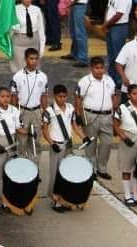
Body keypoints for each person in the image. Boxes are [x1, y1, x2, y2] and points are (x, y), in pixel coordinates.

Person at [43, 84, 87, 212]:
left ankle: (63, 199)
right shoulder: (49, 111)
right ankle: (54, 201)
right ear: (54, 96)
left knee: (66, 172)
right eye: (59, 96)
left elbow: (74, 125)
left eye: (64, 96)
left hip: (68, 144)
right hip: (56, 145)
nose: (62, 99)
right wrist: (52, 143)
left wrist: (83, 137)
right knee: (55, 173)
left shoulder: (70, 108)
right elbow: (45, 130)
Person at [76, 56, 118, 179]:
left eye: (101, 68)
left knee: (107, 144)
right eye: (97, 68)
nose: (100, 71)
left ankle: (102, 168)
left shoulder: (109, 80)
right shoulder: (85, 81)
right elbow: (78, 98)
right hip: (90, 115)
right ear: (91, 68)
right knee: (90, 144)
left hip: (107, 116)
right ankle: (92, 168)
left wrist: (115, 114)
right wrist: (78, 115)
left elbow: (114, 97)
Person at [11, 48, 48, 159]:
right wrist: (14, 113)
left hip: (37, 111)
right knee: (21, 140)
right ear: (26, 59)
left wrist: (45, 112)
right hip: (22, 111)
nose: (34, 61)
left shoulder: (43, 76)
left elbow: (44, 96)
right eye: (31, 58)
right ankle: (22, 162)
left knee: (36, 140)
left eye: (36, 59)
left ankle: (35, 163)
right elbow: (14, 97)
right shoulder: (17, 76)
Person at [102, 0, 132, 86]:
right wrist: (105, 22)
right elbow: (108, 8)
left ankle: (119, 81)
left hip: (119, 27)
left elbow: (118, 15)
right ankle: (112, 78)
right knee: (111, 55)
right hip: (111, 26)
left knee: (118, 55)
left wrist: (106, 25)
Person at [10, 0, 45, 74]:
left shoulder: (36, 10)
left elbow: (41, 29)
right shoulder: (15, 9)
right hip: (19, 41)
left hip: (33, 41)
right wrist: (14, 27)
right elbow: (10, 27)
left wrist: (42, 46)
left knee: (33, 66)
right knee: (19, 67)